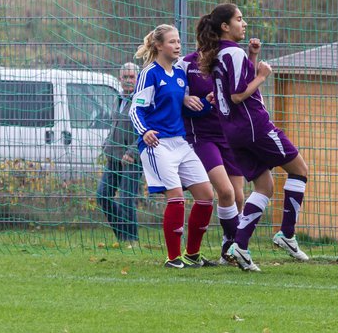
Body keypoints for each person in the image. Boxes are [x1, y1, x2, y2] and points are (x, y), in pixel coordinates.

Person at [199, 3, 311, 272]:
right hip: (254, 125)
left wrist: (252, 57)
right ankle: (286, 234)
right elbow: (238, 94)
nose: (244, 23)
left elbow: (231, 86)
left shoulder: (222, 54)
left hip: (233, 131)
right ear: (225, 26)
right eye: (239, 19)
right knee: (299, 171)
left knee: (265, 187)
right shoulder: (232, 53)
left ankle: (240, 246)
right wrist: (261, 75)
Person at [131, 24, 217, 269]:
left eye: (179, 41)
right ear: (158, 45)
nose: (177, 45)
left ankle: (192, 255)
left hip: (180, 142)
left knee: (205, 196)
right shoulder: (150, 73)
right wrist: (145, 131)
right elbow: (135, 108)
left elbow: (182, 108)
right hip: (157, 143)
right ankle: (173, 258)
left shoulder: (179, 74)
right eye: (172, 41)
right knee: (176, 197)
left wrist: (205, 104)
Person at [181, 41, 246, 258]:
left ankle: (228, 244)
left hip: (229, 134)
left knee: (238, 197)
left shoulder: (227, 60)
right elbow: (173, 94)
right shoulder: (186, 64)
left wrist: (253, 58)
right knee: (225, 192)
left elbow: (242, 88)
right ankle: (234, 248)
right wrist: (185, 98)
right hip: (203, 137)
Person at [96, 62, 143, 246]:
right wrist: (107, 143)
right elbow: (114, 125)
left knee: (126, 199)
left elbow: (145, 129)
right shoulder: (119, 98)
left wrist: (132, 152)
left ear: (138, 79)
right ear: (119, 79)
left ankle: (132, 240)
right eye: (125, 77)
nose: (128, 80)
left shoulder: (141, 100)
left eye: (132, 77)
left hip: (132, 160)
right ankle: (123, 236)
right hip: (114, 158)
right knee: (103, 196)